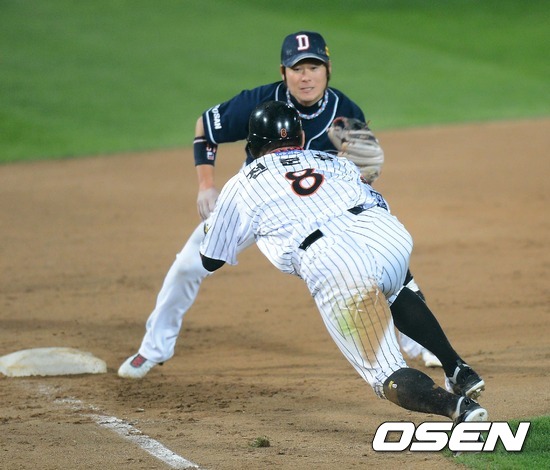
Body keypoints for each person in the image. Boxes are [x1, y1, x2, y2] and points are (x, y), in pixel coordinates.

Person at [119, 30, 438, 379]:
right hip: (255, 204)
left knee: (383, 262)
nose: (306, 77)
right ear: (283, 72)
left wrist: (365, 179)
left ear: (328, 70)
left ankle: (422, 346)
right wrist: (206, 186)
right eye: (297, 69)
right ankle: (153, 348)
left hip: (316, 215)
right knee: (188, 265)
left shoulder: (345, 111)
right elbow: (206, 127)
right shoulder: (259, 101)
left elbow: (358, 174)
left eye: (314, 68)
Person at [199, 101, 487, 426]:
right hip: (386, 235)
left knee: (386, 374)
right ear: (300, 137)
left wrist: (215, 222)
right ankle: (458, 369)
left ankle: (459, 408)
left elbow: (210, 260)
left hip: (335, 263)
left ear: (252, 146)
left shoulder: (241, 184)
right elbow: (375, 200)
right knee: (390, 288)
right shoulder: (330, 160)